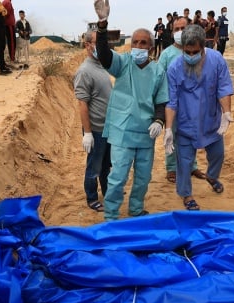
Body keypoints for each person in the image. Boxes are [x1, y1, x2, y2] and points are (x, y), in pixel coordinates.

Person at [93, 0, 169, 221]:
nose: (138, 46)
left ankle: (136, 209)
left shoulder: (157, 71)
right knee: (117, 176)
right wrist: (102, 25)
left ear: (151, 48)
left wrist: (159, 121)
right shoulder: (123, 63)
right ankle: (111, 215)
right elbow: (104, 54)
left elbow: (161, 101)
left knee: (143, 177)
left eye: (143, 43)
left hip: (146, 133)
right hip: (123, 131)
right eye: (135, 42)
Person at [164, 25, 234, 211]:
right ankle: (187, 195)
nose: (191, 55)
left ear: (204, 47)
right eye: (187, 52)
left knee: (218, 155)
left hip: (211, 120)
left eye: (195, 51)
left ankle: (212, 176)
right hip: (186, 123)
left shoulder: (216, 60)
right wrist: (169, 129)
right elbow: (171, 101)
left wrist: (226, 113)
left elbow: (224, 88)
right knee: (184, 163)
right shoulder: (174, 68)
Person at [158, 17, 208, 185]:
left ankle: (191, 165)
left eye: (183, 28)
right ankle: (172, 167)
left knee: (191, 135)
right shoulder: (166, 55)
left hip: (193, 103)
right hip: (172, 103)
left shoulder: (200, 52)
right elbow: (159, 79)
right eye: (176, 28)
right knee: (171, 135)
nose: (179, 32)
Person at [74, 30, 113, 213]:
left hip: (107, 128)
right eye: (98, 42)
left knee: (106, 164)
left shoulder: (101, 65)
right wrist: (87, 133)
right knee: (94, 165)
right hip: (96, 129)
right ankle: (91, 197)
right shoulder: (84, 71)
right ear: (87, 45)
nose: (101, 46)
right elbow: (83, 104)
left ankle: (107, 192)